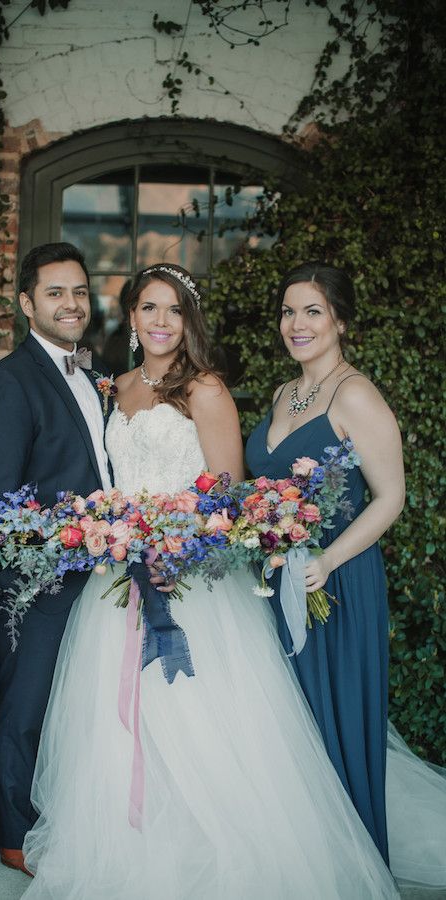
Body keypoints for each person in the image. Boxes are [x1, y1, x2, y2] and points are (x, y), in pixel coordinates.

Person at [21, 263, 399, 900]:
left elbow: (227, 497)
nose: (161, 321)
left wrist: (173, 545)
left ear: (188, 320)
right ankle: (133, 845)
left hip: (195, 582)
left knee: (203, 726)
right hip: (121, 578)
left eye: (174, 309)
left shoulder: (206, 390)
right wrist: (114, 530)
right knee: (120, 725)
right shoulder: (117, 388)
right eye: (148, 307)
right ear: (131, 317)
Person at [245, 260, 446, 886]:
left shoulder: (355, 394)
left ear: (340, 320)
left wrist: (326, 560)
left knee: (332, 715)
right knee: (289, 723)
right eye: (288, 312)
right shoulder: (284, 393)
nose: (296, 324)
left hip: (336, 581)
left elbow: (391, 497)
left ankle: (348, 871)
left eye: (312, 311)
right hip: (278, 577)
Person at [0, 242, 114, 876]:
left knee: (76, 706)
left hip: (98, 571)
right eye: (55, 293)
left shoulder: (93, 374)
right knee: (25, 706)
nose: (71, 303)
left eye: (79, 291)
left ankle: (66, 818)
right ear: (27, 304)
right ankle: (16, 836)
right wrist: (40, 560)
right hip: (36, 580)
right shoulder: (9, 382)